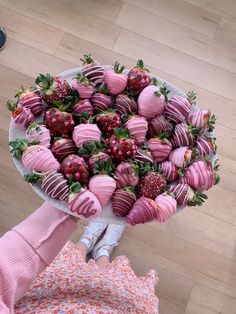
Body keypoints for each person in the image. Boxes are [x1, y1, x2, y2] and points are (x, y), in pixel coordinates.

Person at [0, 202, 159, 313]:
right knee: (111, 281)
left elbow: (4, 273)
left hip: (43, 303)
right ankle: (103, 251)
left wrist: (65, 209)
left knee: (68, 262)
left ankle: (86, 240)